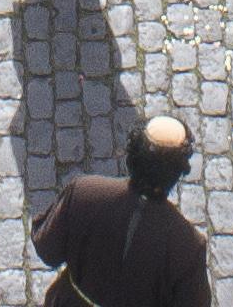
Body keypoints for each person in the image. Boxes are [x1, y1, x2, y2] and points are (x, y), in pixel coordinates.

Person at [28, 116, 206, 307]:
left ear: (134, 153)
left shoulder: (83, 192)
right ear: (178, 172)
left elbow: (47, 249)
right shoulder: (188, 245)